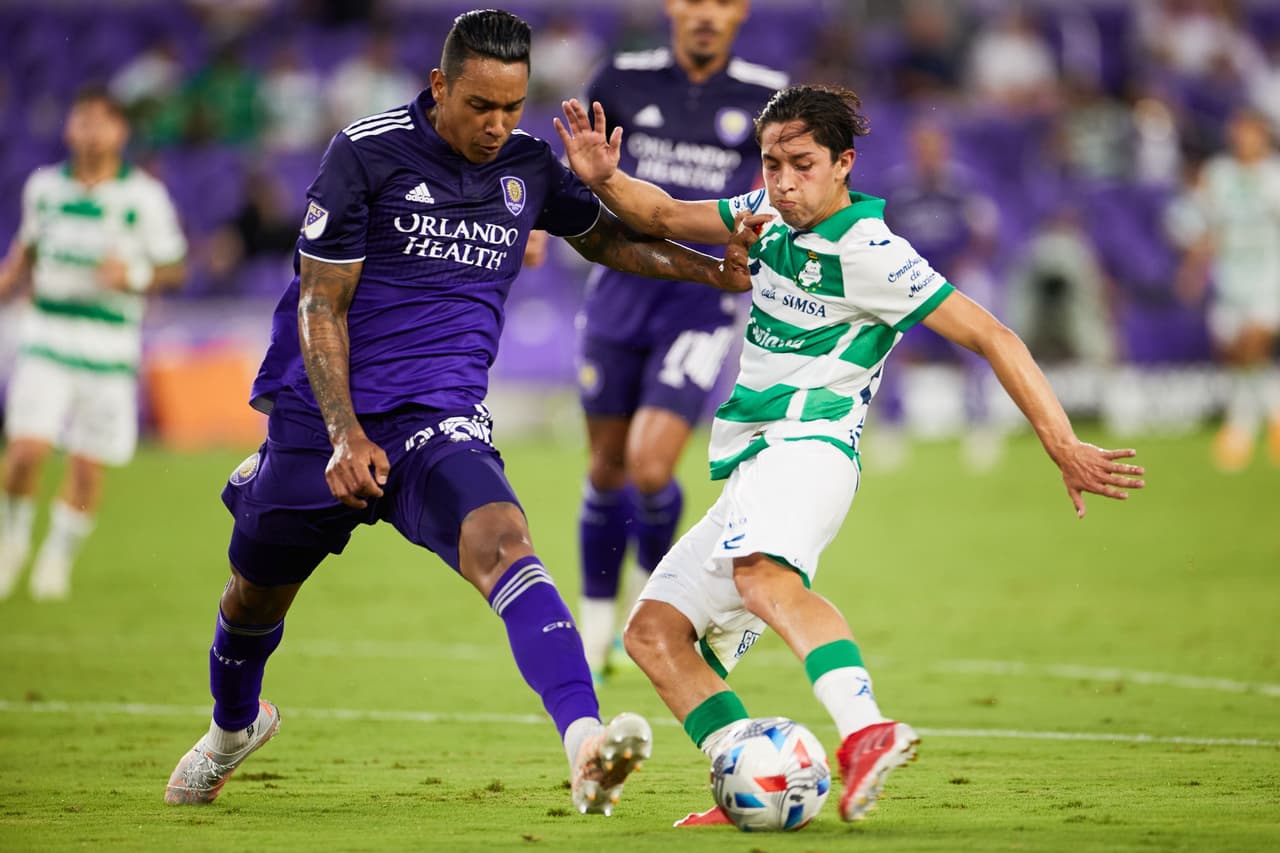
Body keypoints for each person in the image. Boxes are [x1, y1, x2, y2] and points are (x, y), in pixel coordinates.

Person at [161, 10, 755, 814]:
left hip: (438, 416)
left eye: (512, 107)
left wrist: (708, 271)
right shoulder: (366, 152)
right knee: (253, 594)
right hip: (322, 419)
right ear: (439, 86)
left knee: (506, 542)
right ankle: (234, 729)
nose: (497, 124)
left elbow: (609, 240)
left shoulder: (528, 165)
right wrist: (342, 434)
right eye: (480, 105)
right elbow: (320, 303)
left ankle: (584, 744)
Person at [555, 86, 1145, 825]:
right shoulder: (766, 212)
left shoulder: (874, 254)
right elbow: (667, 216)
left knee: (763, 577)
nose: (784, 181)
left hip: (810, 449)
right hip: (756, 464)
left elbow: (994, 335)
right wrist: (604, 178)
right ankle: (749, 772)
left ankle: (867, 729)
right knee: (653, 633)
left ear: (844, 164)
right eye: (772, 163)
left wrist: (1061, 442)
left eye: (802, 164)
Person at [573, 0, 787, 683]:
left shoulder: (765, 95)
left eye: (721, 3)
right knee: (606, 466)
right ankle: (595, 621)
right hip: (619, 288)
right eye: (693, 0)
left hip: (701, 297)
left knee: (651, 466)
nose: (705, 15)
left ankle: (650, 602)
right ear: (671, 6)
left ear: (740, 12)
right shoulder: (619, 77)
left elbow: (778, 195)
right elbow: (583, 173)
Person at [0, 85, 187, 602]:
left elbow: (174, 267)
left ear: (120, 131)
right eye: (82, 121)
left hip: (109, 344)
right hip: (47, 333)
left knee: (85, 465)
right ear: (69, 128)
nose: (90, 131)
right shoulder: (44, 188)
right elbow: (27, 251)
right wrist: (10, 277)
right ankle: (11, 540)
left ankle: (57, 555)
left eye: (101, 122)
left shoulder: (143, 196)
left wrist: (135, 272)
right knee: (24, 451)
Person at [1168, 108, 1280, 470]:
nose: (1245, 139)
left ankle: (1241, 429)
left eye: (1252, 132)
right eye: (1240, 132)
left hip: (1268, 279)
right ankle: (1272, 414)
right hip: (1231, 281)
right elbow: (1203, 226)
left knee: (1253, 344)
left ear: (1264, 135)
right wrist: (1192, 268)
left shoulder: (1275, 177)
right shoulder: (1220, 175)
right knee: (1234, 354)